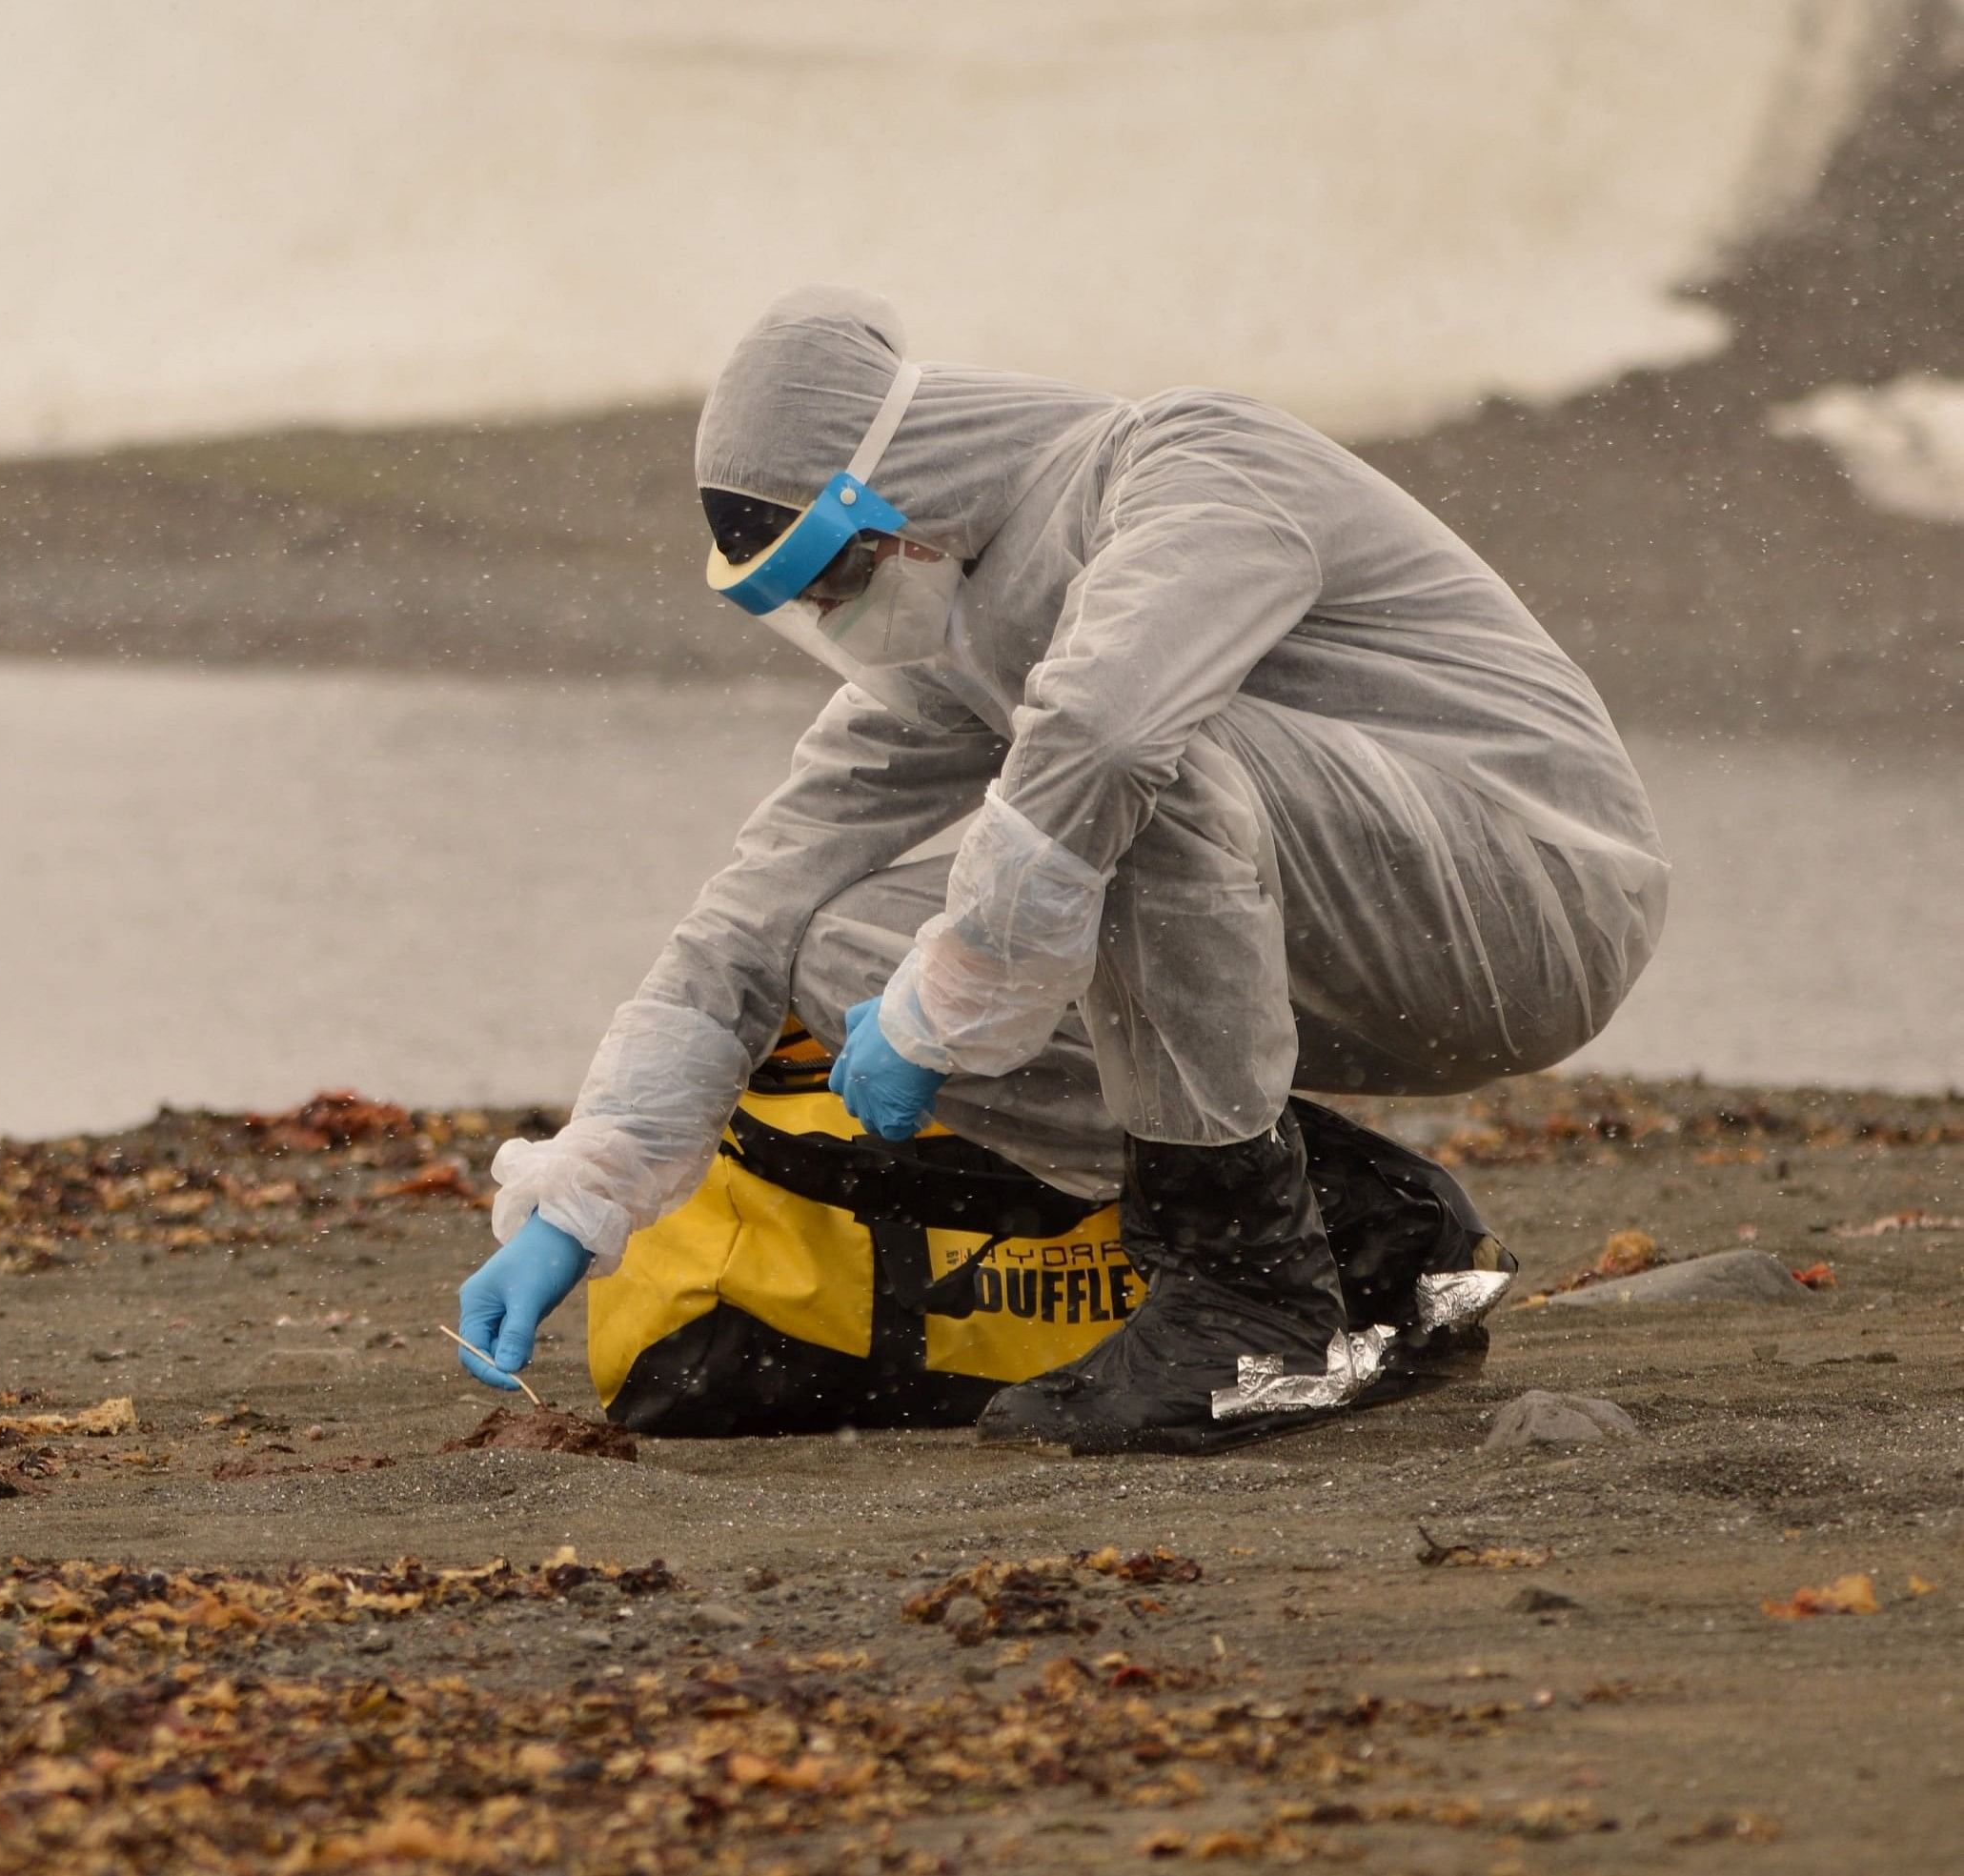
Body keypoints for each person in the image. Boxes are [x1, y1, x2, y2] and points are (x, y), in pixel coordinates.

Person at [455, 285, 1666, 1453]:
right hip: (1358, 938)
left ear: (897, 484)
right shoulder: (955, 635)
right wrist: (583, 1192)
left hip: (1539, 898)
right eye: (793, 601)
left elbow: (1111, 737)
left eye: (829, 574)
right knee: (835, 938)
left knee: (1117, 761)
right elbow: (753, 909)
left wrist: (945, 1006)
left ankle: (1247, 1305)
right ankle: (1361, 1231)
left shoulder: (1195, 464)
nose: (832, 618)